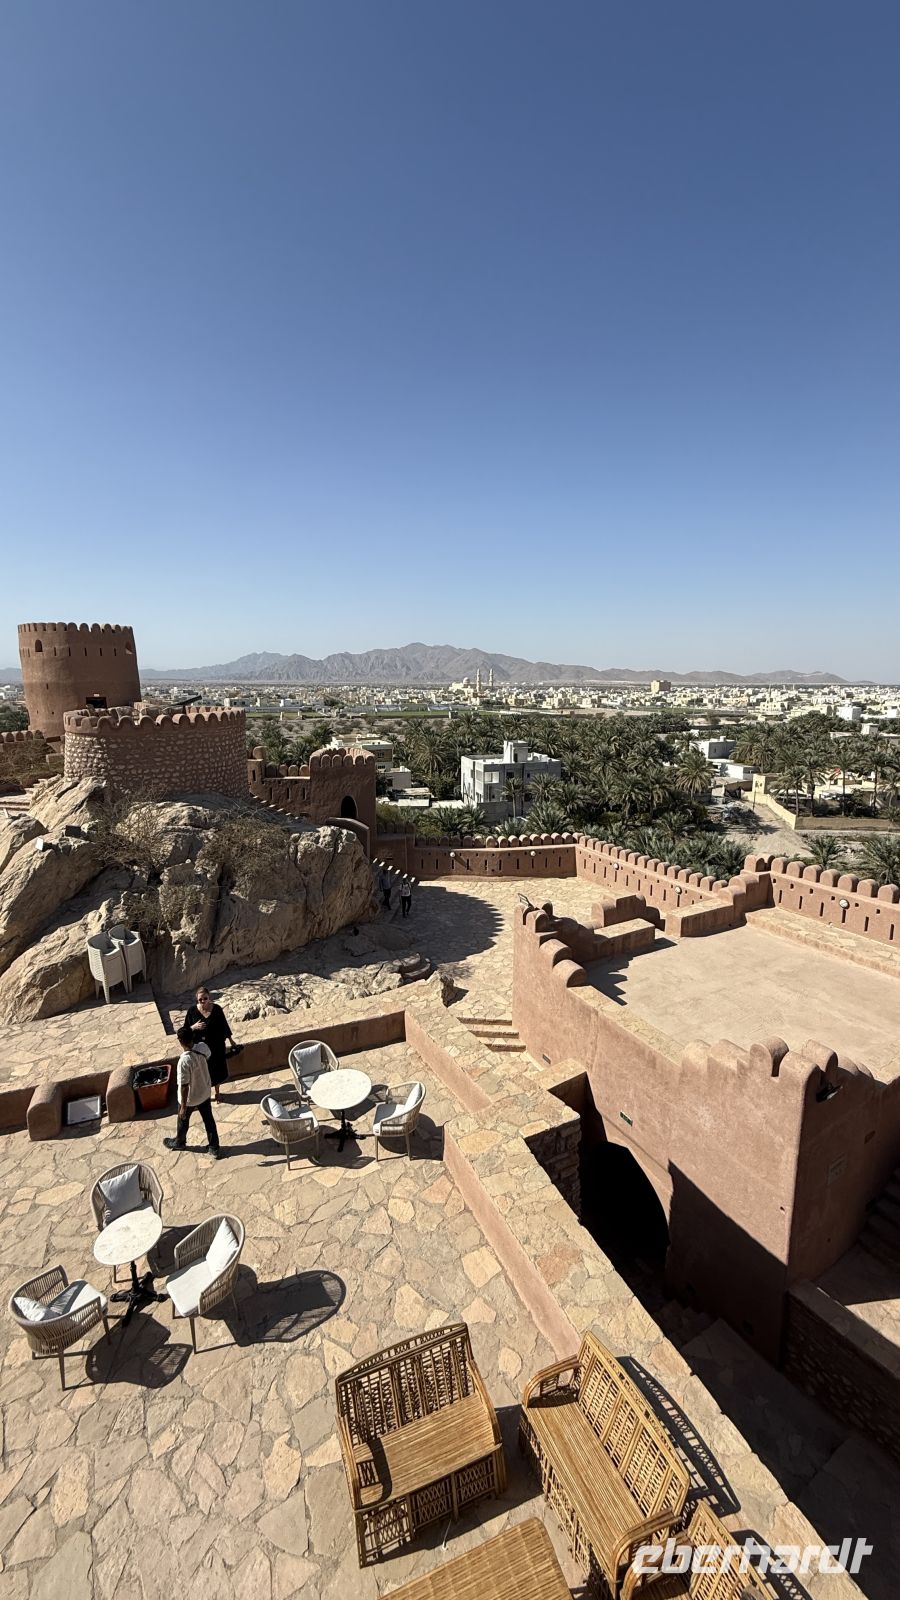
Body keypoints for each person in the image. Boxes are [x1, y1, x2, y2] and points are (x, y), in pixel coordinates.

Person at [164, 1025, 222, 1158]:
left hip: (190, 1098)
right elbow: (208, 1056)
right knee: (209, 1120)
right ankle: (214, 1147)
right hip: (204, 1092)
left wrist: (183, 1107)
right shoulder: (203, 1047)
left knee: (183, 1120)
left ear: (180, 1041)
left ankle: (180, 1142)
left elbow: (184, 1085)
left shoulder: (184, 1061)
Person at [184, 986, 235, 1102]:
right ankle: (205, 1095)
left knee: (217, 1071)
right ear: (197, 1000)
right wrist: (194, 1027)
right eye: (200, 999)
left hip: (216, 1046)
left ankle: (217, 1093)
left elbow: (224, 1025)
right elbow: (185, 1030)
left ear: (209, 997)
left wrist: (231, 1040)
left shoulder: (216, 1009)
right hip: (200, 1049)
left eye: (205, 998)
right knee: (203, 1072)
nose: (203, 1001)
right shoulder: (192, 1011)